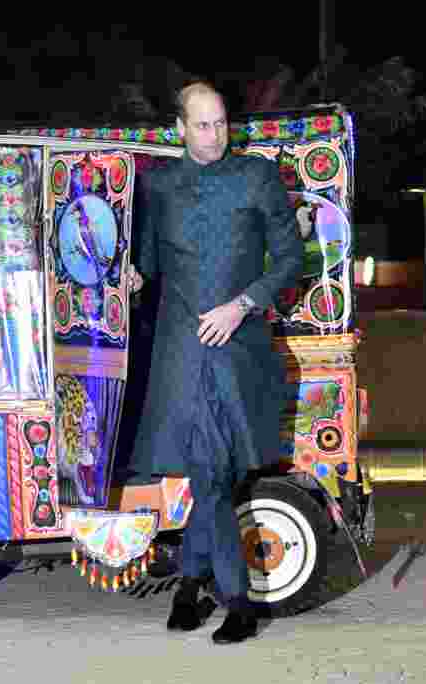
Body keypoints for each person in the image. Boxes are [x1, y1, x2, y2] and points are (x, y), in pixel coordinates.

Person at [127, 81, 303, 644]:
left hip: (238, 346)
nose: (214, 134)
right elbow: (150, 262)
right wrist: (132, 277)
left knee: (217, 475)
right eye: (202, 125)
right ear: (179, 128)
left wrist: (243, 303)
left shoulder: (256, 176)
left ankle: (201, 590)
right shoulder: (158, 186)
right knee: (209, 475)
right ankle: (233, 599)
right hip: (182, 350)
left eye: (221, 122)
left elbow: (291, 258)